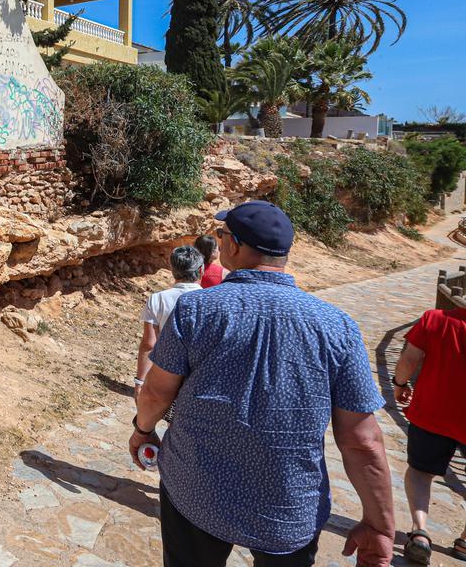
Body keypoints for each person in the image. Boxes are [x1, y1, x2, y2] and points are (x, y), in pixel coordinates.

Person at [130, 200, 395, 566]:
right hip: (287, 506)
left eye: (221, 236)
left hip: (196, 489)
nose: (219, 242)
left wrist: (142, 430)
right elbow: (363, 441)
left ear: (234, 246)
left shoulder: (196, 311)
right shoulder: (338, 327)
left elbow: (158, 391)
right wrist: (380, 525)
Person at [390, 291, 466, 564]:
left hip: (433, 412)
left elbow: (409, 360)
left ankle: (420, 532)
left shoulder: (435, 320)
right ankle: (465, 543)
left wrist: (400, 384)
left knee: (421, 473)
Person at [135, 246, 205, 398]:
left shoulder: (158, 299)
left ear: (172, 270)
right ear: (201, 271)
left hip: (164, 374)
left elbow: (149, 344)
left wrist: (140, 382)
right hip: (197, 378)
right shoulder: (211, 301)